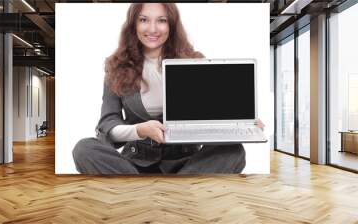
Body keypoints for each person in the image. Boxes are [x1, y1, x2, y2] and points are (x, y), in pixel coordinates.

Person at [72, 3, 263, 174]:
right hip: (136, 163)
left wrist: (240, 120)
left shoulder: (193, 60)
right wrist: (139, 130)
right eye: (144, 20)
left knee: (233, 151)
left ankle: (146, 194)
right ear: (133, 25)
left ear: (171, 25)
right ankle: (179, 194)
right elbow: (107, 124)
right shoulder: (116, 67)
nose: (153, 29)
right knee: (84, 149)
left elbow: (215, 107)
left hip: (187, 163)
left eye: (161, 20)